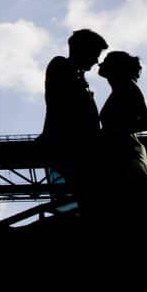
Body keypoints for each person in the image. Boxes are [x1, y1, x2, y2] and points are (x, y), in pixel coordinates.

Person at [38, 28, 107, 206]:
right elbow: (65, 106)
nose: (96, 60)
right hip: (71, 147)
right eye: (94, 54)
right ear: (82, 50)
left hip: (75, 147)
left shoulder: (73, 73)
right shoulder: (61, 66)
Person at [95, 50, 147, 211]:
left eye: (106, 61)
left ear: (115, 68)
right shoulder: (123, 88)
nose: (100, 64)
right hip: (124, 150)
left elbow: (146, 122)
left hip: (126, 151)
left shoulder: (127, 87)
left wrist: (116, 131)